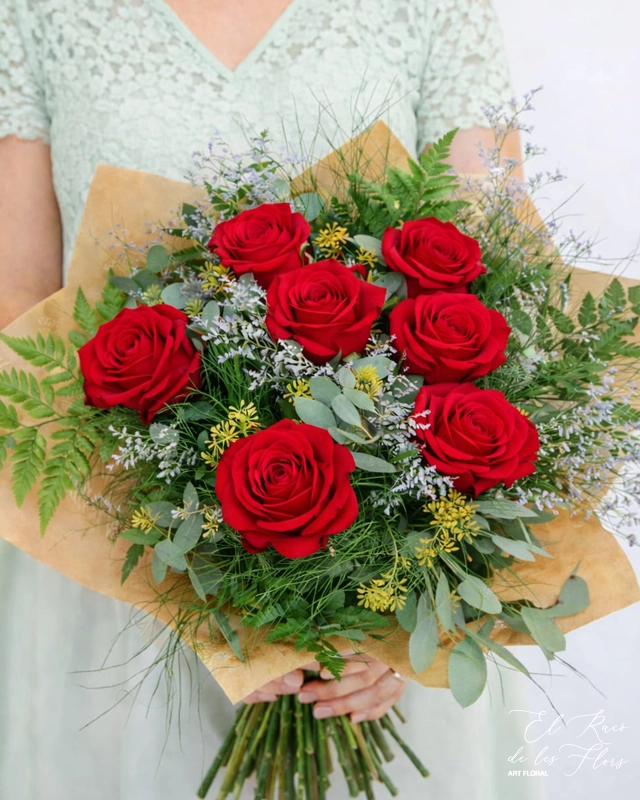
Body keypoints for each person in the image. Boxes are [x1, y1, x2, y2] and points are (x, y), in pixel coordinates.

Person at [0, 1, 541, 798]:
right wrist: (174, 582)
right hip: (117, 554)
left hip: (385, 599)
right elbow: (21, 304)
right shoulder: (38, 12)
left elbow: (506, 278)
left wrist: (402, 623)